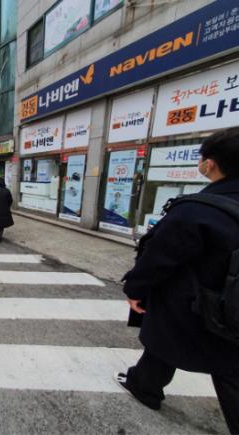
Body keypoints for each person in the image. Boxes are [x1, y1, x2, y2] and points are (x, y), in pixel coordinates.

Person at [116, 128, 239, 434]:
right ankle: (142, 383)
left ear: (210, 163)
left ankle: (145, 387)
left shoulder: (198, 210)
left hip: (197, 304)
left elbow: (158, 258)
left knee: (167, 339)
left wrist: (135, 289)